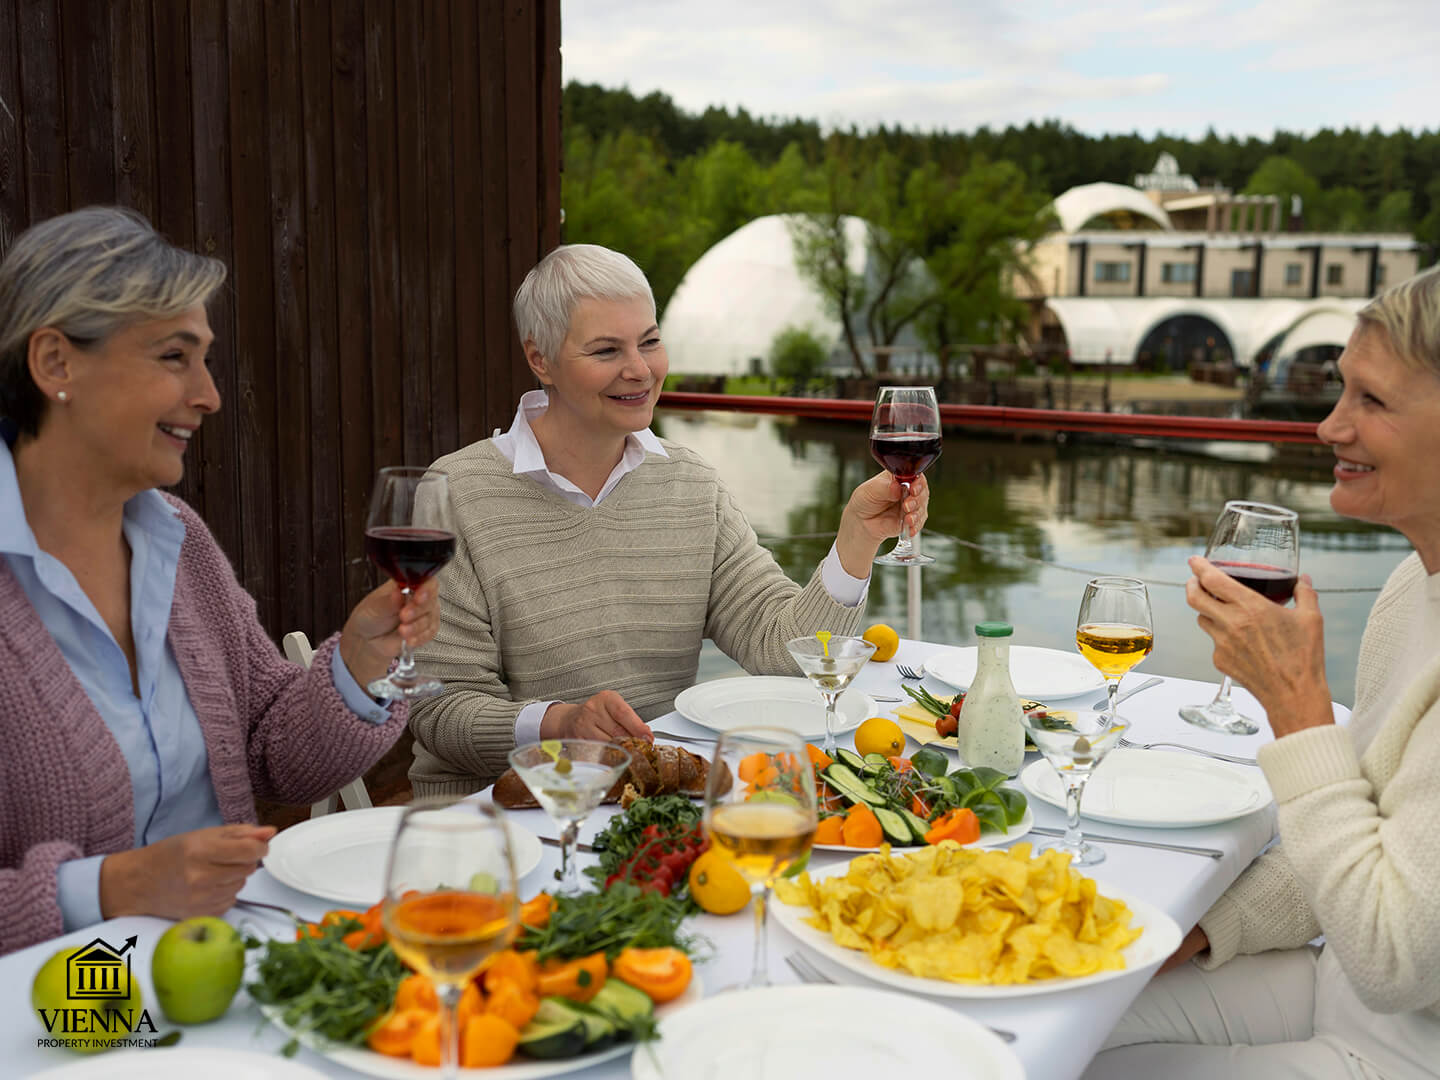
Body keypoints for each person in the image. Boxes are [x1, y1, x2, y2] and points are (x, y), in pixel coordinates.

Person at [0, 207, 440, 955]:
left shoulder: (178, 540)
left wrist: (361, 667)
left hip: (228, 965)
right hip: (66, 1009)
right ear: (55, 364)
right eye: (175, 357)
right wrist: (109, 889)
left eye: (205, 359)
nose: (209, 394)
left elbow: (277, 755)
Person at [1085, 264, 1440, 1078]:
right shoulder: (1409, 587)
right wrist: (1202, 932)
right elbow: (1356, 839)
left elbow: (1396, 959)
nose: (1328, 427)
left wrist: (1298, 708)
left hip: (1410, 1041)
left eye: (1371, 401)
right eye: (1339, 390)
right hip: (1334, 979)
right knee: (1061, 1006)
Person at [408, 243, 928, 796]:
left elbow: (780, 649)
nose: (640, 369)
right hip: (496, 813)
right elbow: (439, 710)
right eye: (606, 350)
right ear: (540, 360)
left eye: (650, 341)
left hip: (650, 805)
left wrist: (857, 538)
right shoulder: (457, 493)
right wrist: (560, 725)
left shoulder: (690, 483)